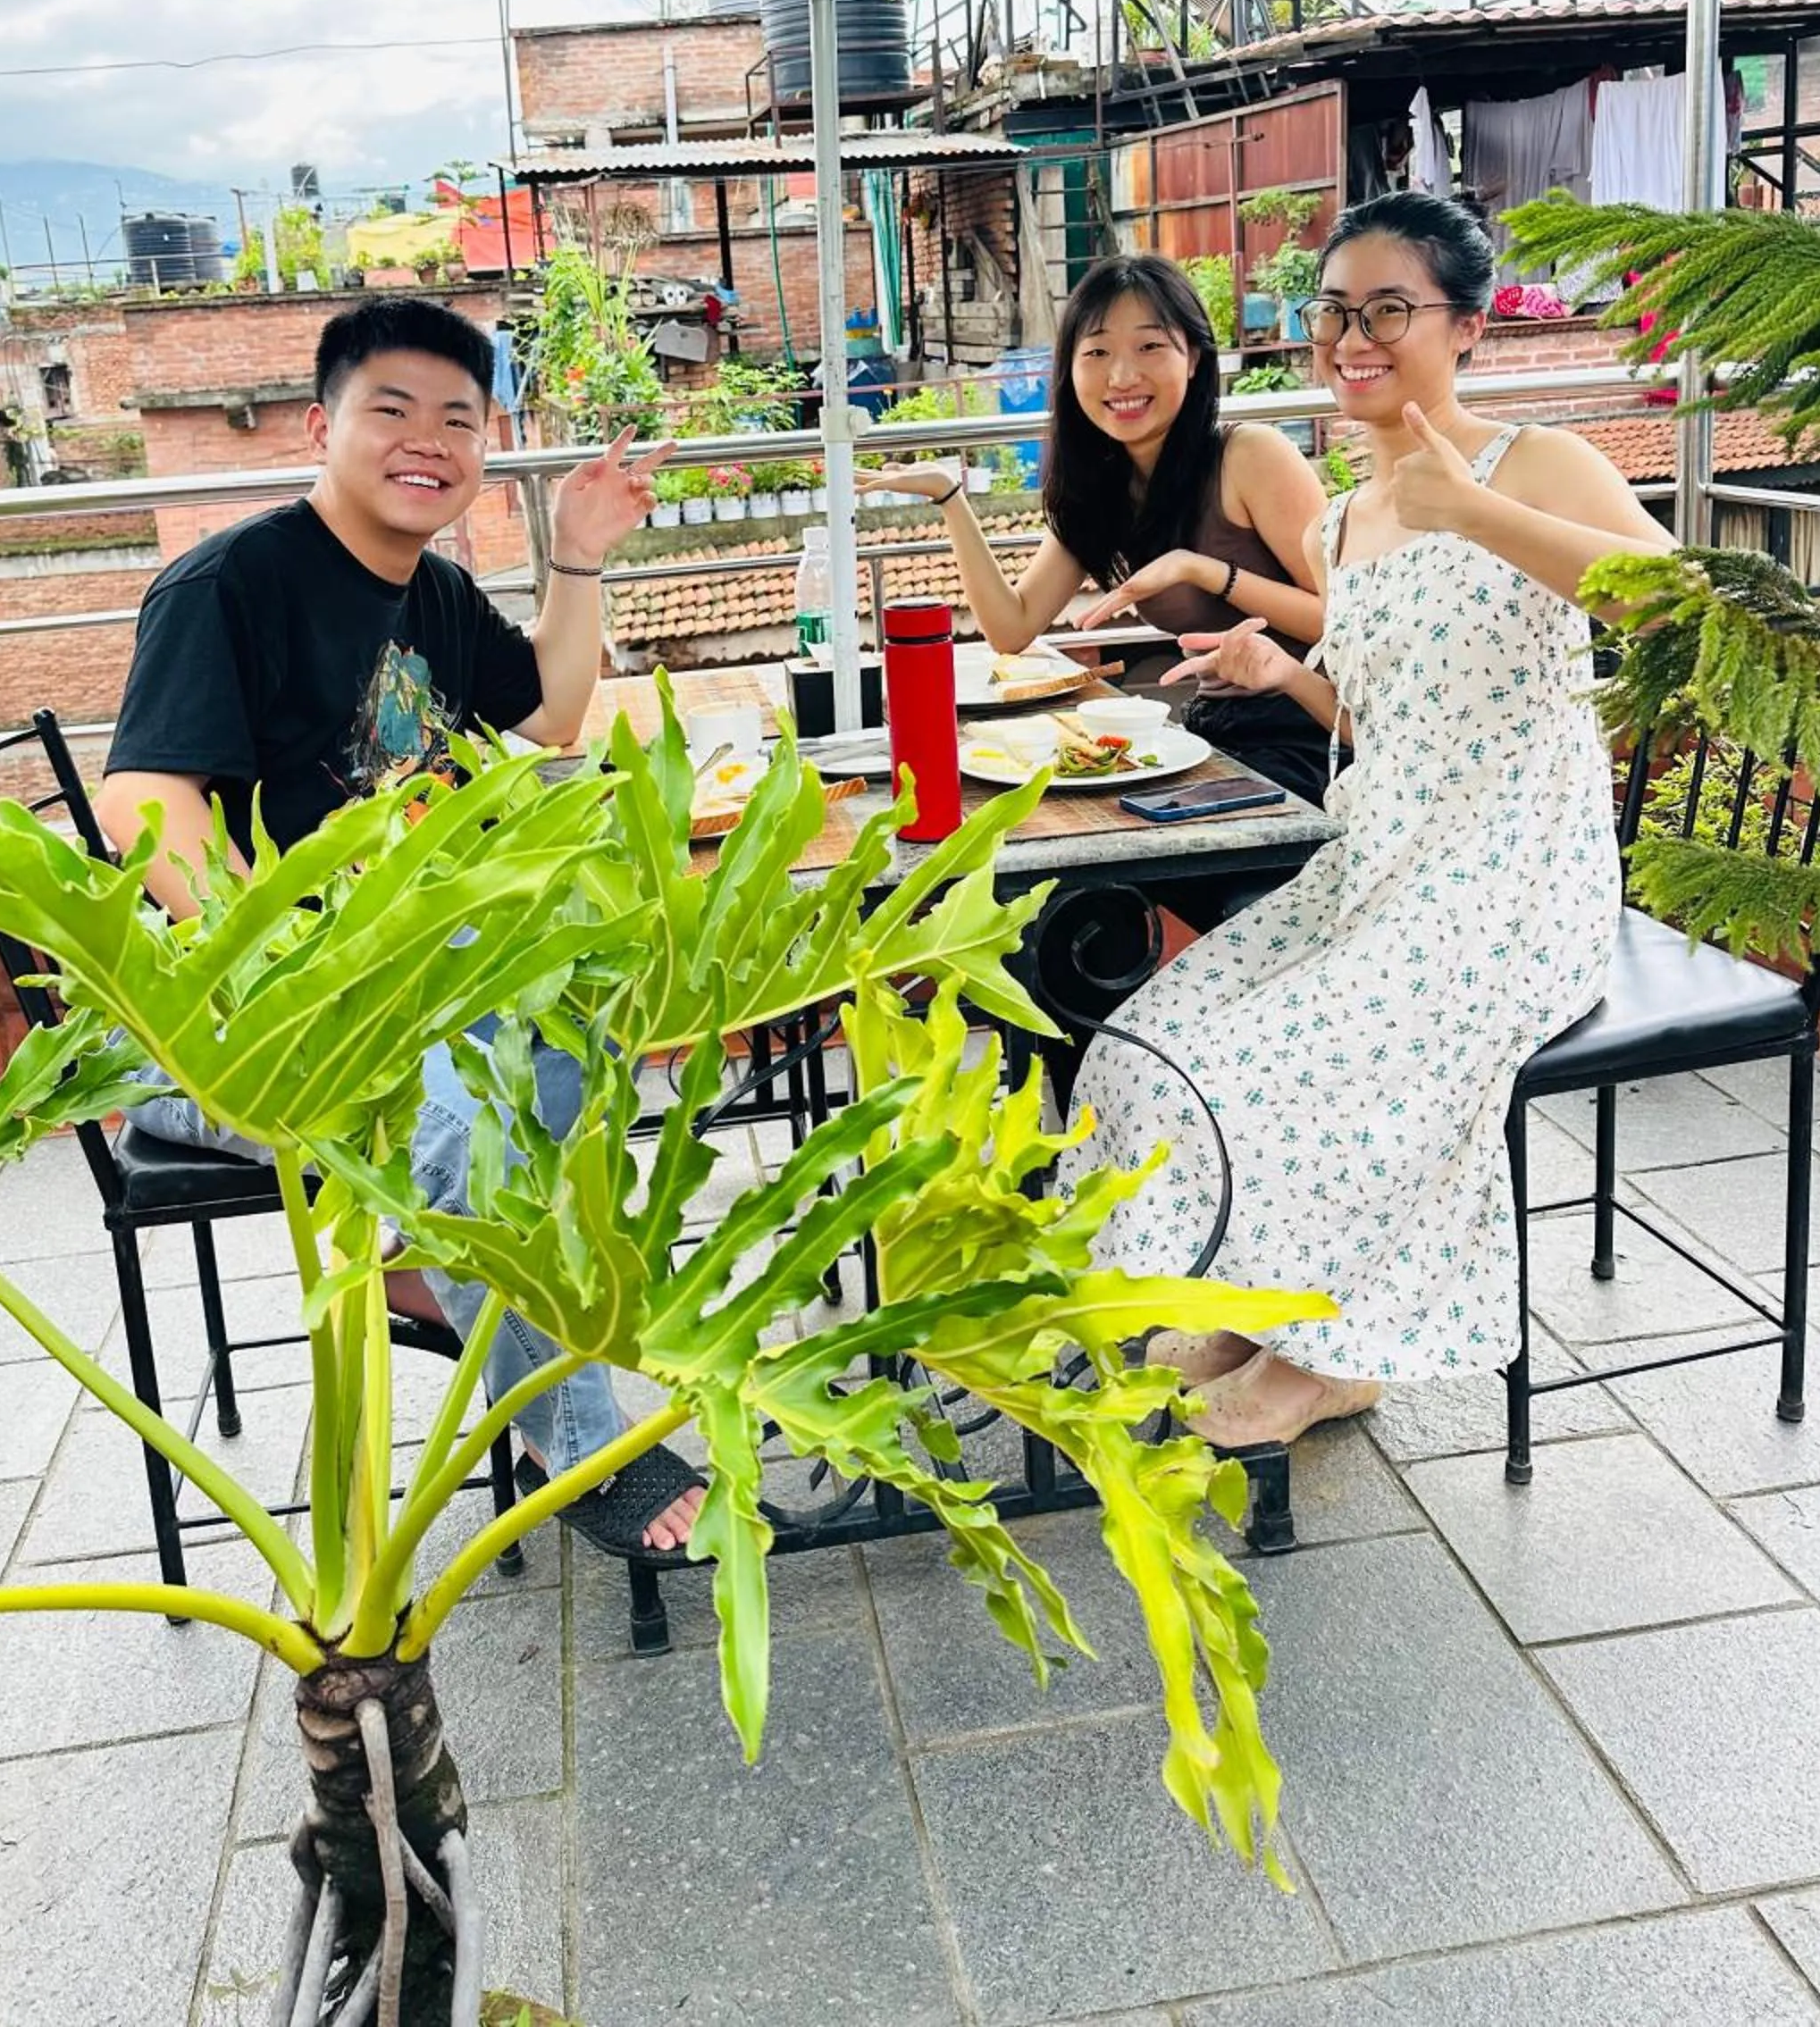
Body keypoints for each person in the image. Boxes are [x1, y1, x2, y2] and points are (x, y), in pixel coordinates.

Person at [96, 297, 706, 1557]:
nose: (427, 440)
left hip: (413, 987)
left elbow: (544, 716)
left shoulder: (426, 589)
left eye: (458, 419)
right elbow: (141, 801)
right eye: (392, 409)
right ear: (322, 425)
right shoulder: (228, 585)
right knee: (475, 1112)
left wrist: (579, 552)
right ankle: (577, 1436)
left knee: (580, 1023)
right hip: (229, 1036)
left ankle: (431, 1269)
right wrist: (294, 962)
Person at [1070, 193, 1671, 1449]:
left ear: (1468, 329)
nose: (1351, 335)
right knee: (1145, 1035)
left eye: (1388, 308)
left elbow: (1674, 611)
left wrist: (1483, 519)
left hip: (1512, 869)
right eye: (1333, 309)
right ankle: (1262, 1298)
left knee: (1279, 1054)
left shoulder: (1532, 464)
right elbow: (1377, 712)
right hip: (1380, 854)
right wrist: (1279, 674)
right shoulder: (1345, 514)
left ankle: (1336, 1354)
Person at [858, 255, 1331, 803]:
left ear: (1195, 357)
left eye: (1150, 347)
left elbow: (1344, 617)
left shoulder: (1250, 454)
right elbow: (1011, 629)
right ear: (1070, 369)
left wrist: (1205, 571)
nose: (1122, 376)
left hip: (1306, 734)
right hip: (1212, 730)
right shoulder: (1104, 489)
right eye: (1097, 352)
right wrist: (950, 496)